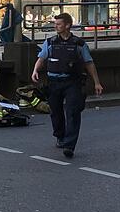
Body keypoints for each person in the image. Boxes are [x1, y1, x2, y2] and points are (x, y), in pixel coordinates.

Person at [31, 13, 103, 159]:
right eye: (55, 24)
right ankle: (60, 136)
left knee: (73, 112)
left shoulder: (79, 44)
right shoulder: (50, 42)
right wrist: (35, 70)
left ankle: (69, 145)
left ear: (67, 25)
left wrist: (97, 82)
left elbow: (89, 63)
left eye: (58, 24)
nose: (55, 26)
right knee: (55, 112)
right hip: (53, 82)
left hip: (72, 82)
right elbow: (41, 58)